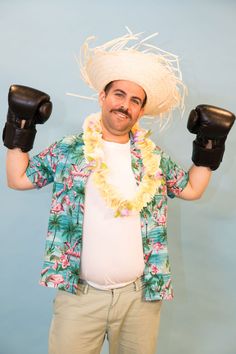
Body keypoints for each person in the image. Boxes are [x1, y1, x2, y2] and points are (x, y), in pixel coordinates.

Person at [3, 31, 235, 354]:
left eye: (135, 100)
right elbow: (18, 177)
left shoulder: (151, 156)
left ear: (140, 111)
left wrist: (210, 145)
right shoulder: (71, 149)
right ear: (103, 96)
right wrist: (20, 124)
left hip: (138, 300)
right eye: (119, 94)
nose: (125, 105)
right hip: (79, 298)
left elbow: (192, 188)